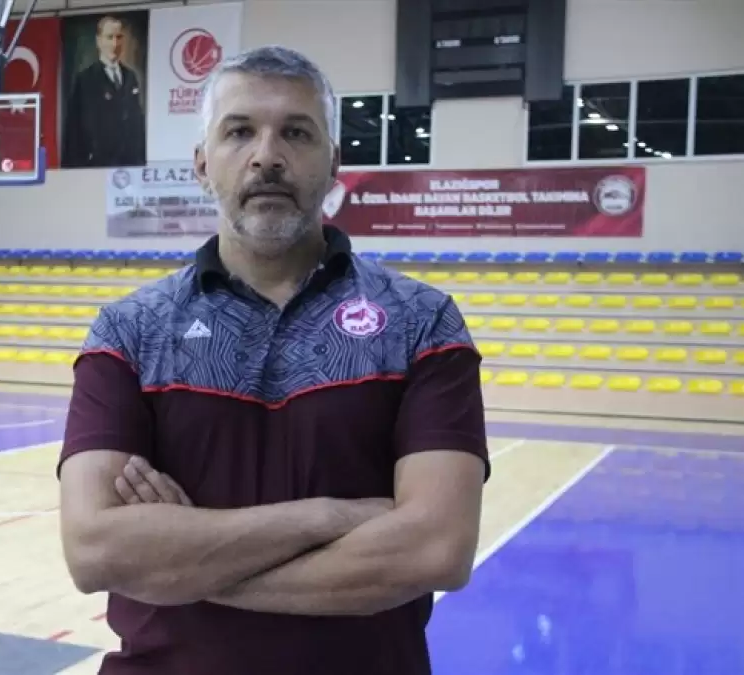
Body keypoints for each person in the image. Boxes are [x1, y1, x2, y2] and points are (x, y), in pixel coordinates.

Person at [57, 45, 489, 675]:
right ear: (202, 163)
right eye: (239, 132)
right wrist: (328, 517)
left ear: (334, 163)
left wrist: (183, 565)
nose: (267, 156)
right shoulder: (129, 331)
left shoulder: (421, 323)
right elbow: (95, 552)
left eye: (296, 132)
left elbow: (434, 550)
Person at [61, 15, 146, 168]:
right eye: (109, 37)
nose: (114, 43)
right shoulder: (85, 79)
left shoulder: (130, 76)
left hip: (129, 164)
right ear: (99, 41)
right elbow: (75, 126)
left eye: (119, 37)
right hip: (97, 164)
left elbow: (136, 120)